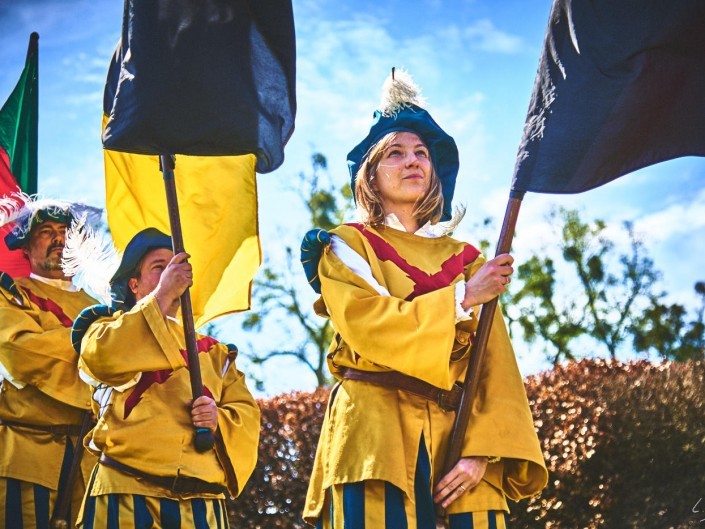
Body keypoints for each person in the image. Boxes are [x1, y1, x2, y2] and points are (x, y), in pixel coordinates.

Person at [302, 70, 548, 528]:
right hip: (374, 441)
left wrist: (482, 453)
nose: (413, 160)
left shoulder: (468, 258)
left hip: (461, 447)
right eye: (395, 152)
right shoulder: (344, 247)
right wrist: (462, 299)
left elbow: (494, 363)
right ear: (370, 175)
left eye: (421, 153)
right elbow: (370, 326)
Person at [75, 227, 260, 528]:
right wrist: (161, 294)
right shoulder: (106, 329)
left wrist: (218, 420)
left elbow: (247, 416)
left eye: (177, 268)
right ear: (133, 284)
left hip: (203, 505)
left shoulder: (217, 354)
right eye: (159, 268)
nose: (172, 275)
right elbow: (100, 360)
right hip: (126, 495)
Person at [0, 196, 101, 528]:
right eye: (47, 231)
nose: (60, 239)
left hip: (92, 465)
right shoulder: (10, 294)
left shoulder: (102, 308)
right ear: (26, 247)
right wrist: (100, 353)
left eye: (66, 230)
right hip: (28, 457)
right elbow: (20, 353)